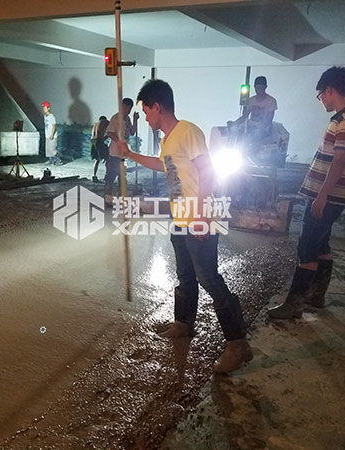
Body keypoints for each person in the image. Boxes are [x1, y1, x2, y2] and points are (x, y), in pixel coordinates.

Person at [118, 79, 251, 374]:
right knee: (185, 275)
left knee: (209, 278)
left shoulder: (188, 131)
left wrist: (201, 215)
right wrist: (130, 155)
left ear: (157, 106)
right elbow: (163, 165)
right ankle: (183, 324)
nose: (146, 118)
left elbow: (208, 171)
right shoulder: (167, 140)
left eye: (146, 112)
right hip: (180, 218)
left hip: (199, 217)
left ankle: (237, 343)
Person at [268, 66, 345, 319]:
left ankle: (294, 304)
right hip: (330, 195)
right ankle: (317, 294)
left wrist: (322, 195)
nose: (321, 100)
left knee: (307, 245)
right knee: (321, 243)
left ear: (330, 90)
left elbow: (340, 160)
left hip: (328, 196)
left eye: (320, 94)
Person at [104, 98, 138, 204]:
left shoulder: (127, 119)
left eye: (130, 108)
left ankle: (120, 198)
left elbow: (132, 132)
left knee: (122, 178)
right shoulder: (115, 118)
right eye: (127, 107)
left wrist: (135, 120)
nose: (128, 110)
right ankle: (107, 198)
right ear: (123, 106)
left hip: (123, 154)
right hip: (114, 154)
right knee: (110, 177)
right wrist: (119, 142)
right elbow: (110, 133)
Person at [90, 115, 110, 182]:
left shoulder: (95, 124)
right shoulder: (104, 122)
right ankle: (107, 176)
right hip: (98, 141)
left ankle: (94, 176)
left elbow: (97, 137)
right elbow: (112, 126)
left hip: (92, 142)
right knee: (108, 158)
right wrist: (109, 135)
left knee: (97, 160)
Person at [43, 100, 61, 165]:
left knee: (52, 149)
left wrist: (52, 134)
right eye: (43, 108)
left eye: (45, 108)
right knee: (48, 149)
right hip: (47, 135)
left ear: (49, 108)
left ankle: (58, 160)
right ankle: (51, 160)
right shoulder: (45, 116)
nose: (44, 109)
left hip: (52, 135)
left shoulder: (51, 116)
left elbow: (54, 126)